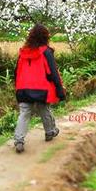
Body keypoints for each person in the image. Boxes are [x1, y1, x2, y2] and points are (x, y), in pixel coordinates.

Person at [13, 24, 66, 153]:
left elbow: (16, 72)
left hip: (23, 88)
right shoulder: (46, 52)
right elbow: (53, 72)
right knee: (44, 109)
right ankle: (50, 132)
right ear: (45, 37)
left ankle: (19, 141)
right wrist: (60, 89)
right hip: (41, 88)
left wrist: (17, 86)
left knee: (24, 113)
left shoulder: (23, 52)